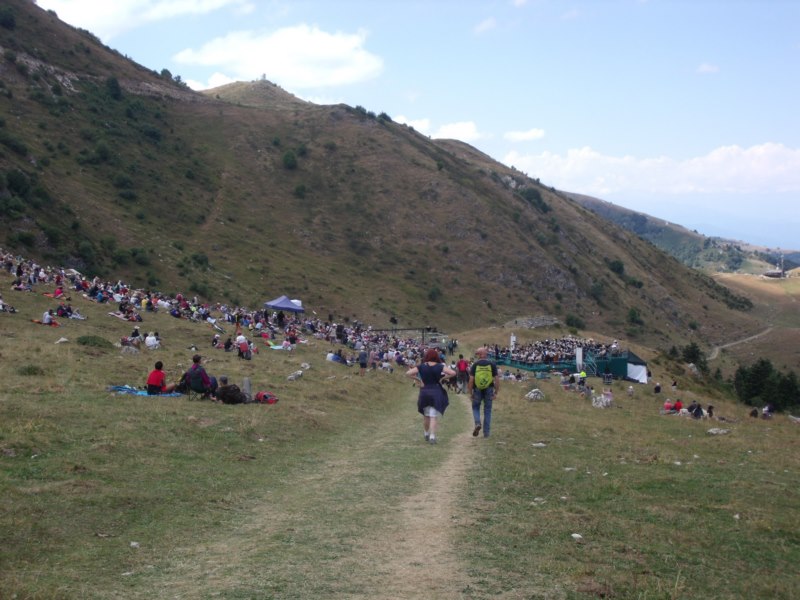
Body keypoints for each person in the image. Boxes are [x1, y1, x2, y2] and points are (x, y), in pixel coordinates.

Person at [406, 348, 455, 444]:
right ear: (436, 356)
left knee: (426, 415)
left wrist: (419, 380)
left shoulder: (421, 366)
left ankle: (426, 433)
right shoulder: (440, 366)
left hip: (424, 391)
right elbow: (453, 373)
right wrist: (443, 378)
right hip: (436, 391)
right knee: (433, 416)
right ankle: (432, 436)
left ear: (426, 356)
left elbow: (408, 373)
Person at [468, 347, 499, 438]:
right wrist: (496, 392)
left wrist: (471, 393)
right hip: (489, 388)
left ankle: (477, 423)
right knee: (487, 410)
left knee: (475, 407)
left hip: (477, 389)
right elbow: (497, 379)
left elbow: (471, 380)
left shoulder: (475, 365)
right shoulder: (492, 364)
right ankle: (486, 433)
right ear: (485, 354)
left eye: (477, 353)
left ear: (480, 355)